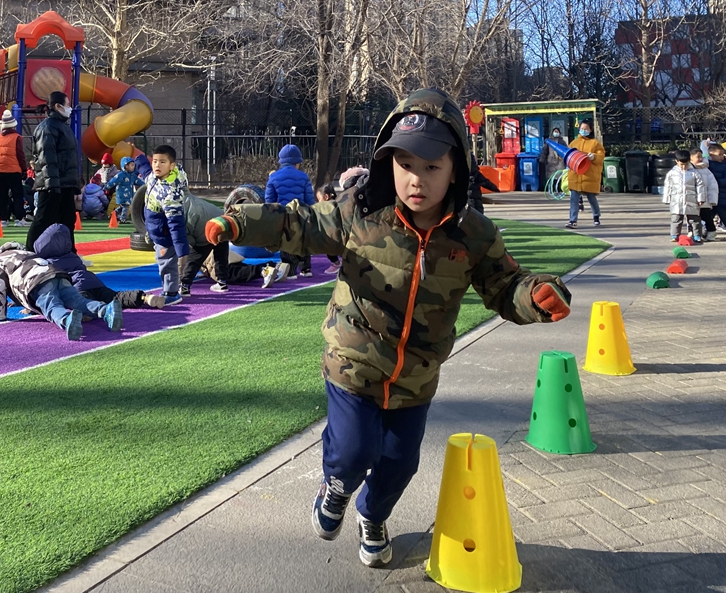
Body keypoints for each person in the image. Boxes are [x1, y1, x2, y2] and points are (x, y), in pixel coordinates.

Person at [204, 88, 572, 568]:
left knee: (400, 464)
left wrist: (536, 296)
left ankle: (372, 515)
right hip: (353, 359)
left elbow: (506, 286)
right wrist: (238, 223)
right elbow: (299, 224)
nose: (416, 179)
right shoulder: (361, 211)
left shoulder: (473, 235)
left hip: (416, 375)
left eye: (432, 167)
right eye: (405, 165)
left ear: (456, 169)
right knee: (353, 452)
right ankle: (336, 486)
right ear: (388, 164)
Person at [0, 241, 123, 341]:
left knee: (51, 306)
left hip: (37, 281)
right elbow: (19, 276)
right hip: (56, 273)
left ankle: (66, 320)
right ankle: (106, 310)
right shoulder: (20, 252)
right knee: (78, 301)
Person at [32, 223, 165, 309]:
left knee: (82, 303)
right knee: (116, 296)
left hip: (77, 286)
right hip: (94, 282)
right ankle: (144, 297)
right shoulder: (72, 256)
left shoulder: (48, 263)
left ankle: (94, 311)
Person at [133, 145, 191, 305]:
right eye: (155, 161)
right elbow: (146, 172)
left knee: (167, 263)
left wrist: (181, 250)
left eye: (162, 162)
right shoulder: (154, 177)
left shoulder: (170, 193)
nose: (157, 165)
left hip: (165, 235)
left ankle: (172, 292)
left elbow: (176, 223)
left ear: (171, 166)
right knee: (162, 260)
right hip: (155, 230)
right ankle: (168, 287)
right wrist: (139, 159)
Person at [26, 91, 81, 251]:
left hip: (65, 183)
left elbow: (69, 158)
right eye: (67, 104)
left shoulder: (63, 127)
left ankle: (69, 253)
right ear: (58, 106)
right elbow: (47, 158)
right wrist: (52, 185)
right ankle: (30, 252)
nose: (70, 108)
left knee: (67, 220)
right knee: (44, 220)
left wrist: (74, 184)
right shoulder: (47, 128)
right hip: (51, 184)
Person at [265, 144, 316, 277]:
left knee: (286, 241)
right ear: (297, 162)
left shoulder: (273, 177)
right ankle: (306, 268)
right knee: (303, 239)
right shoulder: (303, 176)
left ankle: (290, 270)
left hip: (283, 215)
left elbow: (269, 201)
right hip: (301, 213)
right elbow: (309, 199)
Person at [179, 192, 231, 296]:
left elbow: (191, 241)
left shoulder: (176, 214)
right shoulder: (188, 198)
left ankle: (185, 286)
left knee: (194, 259)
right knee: (221, 255)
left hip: (206, 228)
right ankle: (222, 282)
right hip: (223, 221)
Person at [564, 120, 605, 229]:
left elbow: (601, 157)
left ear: (590, 130)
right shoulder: (574, 143)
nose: (583, 131)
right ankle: (573, 220)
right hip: (575, 176)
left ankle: (596, 216)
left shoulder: (595, 143)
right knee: (574, 200)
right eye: (582, 128)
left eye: (586, 129)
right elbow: (567, 155)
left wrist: (594, 157)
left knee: (592, 198)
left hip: (588, 176)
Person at [0, 109, 29, 227]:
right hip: (13, 170)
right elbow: (20, 155)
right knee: (17, 195)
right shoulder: (16, 137)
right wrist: (24, 169)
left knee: (1, 196)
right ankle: (19, 219)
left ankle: (3, 219)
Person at [663, 149, 707, 243]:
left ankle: (697, 235)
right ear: (676, 161)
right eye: (681, 164)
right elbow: (668, 186)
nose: (684, 167)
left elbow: (700, 186)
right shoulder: (672, 173)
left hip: (692, 199)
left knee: (694, 219)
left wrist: (701, 198)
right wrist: (666, 198)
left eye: (686, 164)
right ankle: (675, 235)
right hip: (676, 200)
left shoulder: (694, 173)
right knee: (676, 219)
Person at [690, 148, 718, 241]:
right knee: (693, 218)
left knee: (706, 217)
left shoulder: (706, 170)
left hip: (704, 200)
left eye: (701, 157)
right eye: (698, 157)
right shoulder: (687, 170)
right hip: (691, 199)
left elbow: (712, 185)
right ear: (691, 158)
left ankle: (711, 232)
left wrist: (712, 199)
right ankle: (694, 233)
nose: (700, 159)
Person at [105, 156, 143, 223]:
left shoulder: (132, 176)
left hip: (129, 195)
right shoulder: (121, 175)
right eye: (131, 165)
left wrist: (145, 185)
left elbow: (138, 181)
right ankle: (122, 219)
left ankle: (113, 215)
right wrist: (107, 186)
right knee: (126, 207)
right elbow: (114, 181)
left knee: (122, 206)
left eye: (133, 165)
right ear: (126, 166)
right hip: (121, 194)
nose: (133, 167)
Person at [316, 184, 342, 275]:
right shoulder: (340, 203)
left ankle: (336, 263)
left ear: (326, 197)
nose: (318, 202)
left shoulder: (328, 208)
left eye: (319, 199)